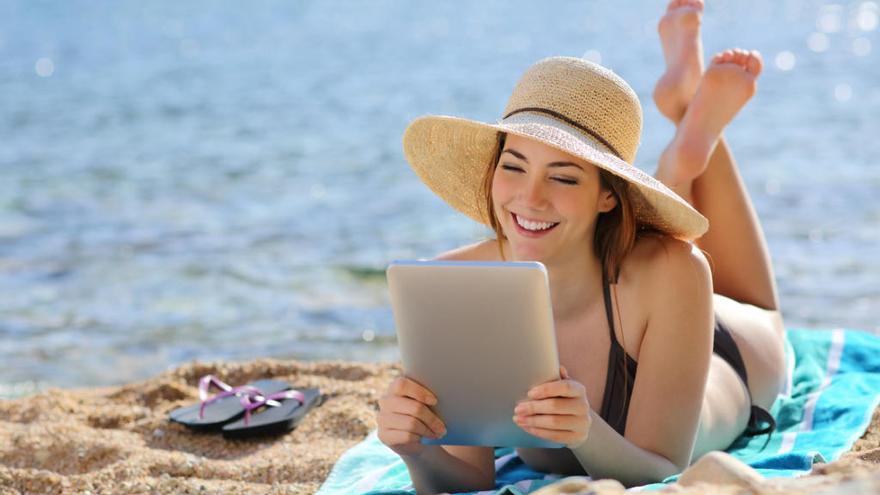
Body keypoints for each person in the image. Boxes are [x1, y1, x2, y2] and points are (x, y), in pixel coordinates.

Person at [377, 0, 787, 491]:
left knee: (756, 308)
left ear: (609, 195)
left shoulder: (676, 270)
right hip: (639, 286)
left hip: (728, 354)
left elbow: (662, 471)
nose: (530, 198)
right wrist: (414, 450)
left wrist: (586, 432)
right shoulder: (460, 288)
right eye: (513, 166)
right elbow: (467, 482)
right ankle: (682, 130)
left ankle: (689, 135)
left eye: (564, 177)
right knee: (657, 244)